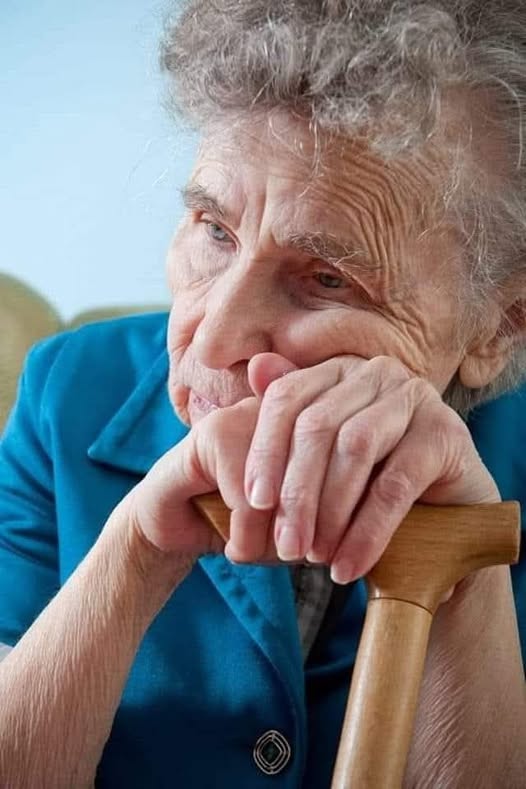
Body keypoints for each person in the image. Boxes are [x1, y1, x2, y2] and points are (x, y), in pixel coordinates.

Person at [1, 1, 525, 786]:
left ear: (497, 326)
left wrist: (467, 565)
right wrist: (137, 549)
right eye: (216, 230)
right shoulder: (67, 391)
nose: (212, 340)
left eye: (326, 279)